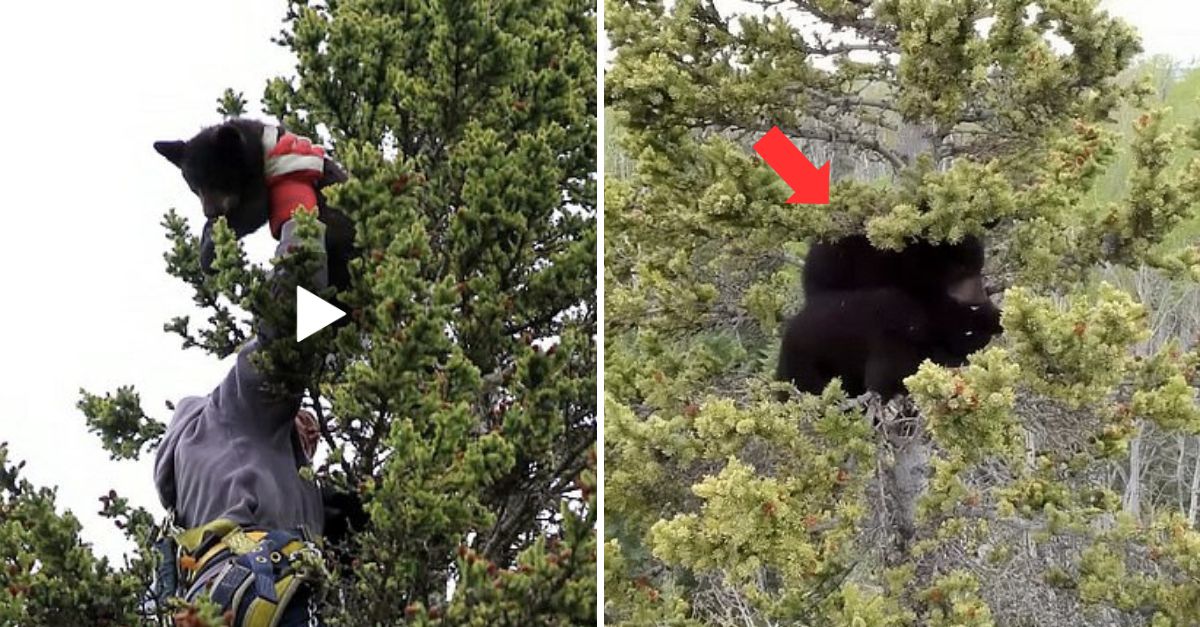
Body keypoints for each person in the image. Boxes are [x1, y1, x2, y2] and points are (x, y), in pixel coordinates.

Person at [152, 210, 334, 626]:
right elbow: (290, 326)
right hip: (264, 589)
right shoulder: (238, 410)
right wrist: (299, 217)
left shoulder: (208, 475)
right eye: (298, 417)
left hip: (219, 599)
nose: (312, 430)